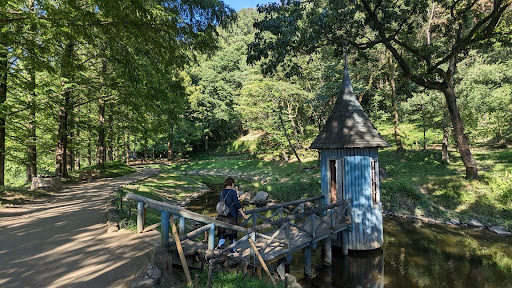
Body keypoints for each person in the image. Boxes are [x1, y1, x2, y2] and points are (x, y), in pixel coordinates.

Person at [216, 177, 248, 253]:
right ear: (231, 184)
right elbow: (237, 204)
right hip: (231, 214)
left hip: (222, 215)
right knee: (232, 233)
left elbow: (220, 202)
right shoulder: (233, 192)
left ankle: (219, 246)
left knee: (223, 231)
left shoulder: (221, 192)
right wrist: (243, 213)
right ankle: (232, 250)